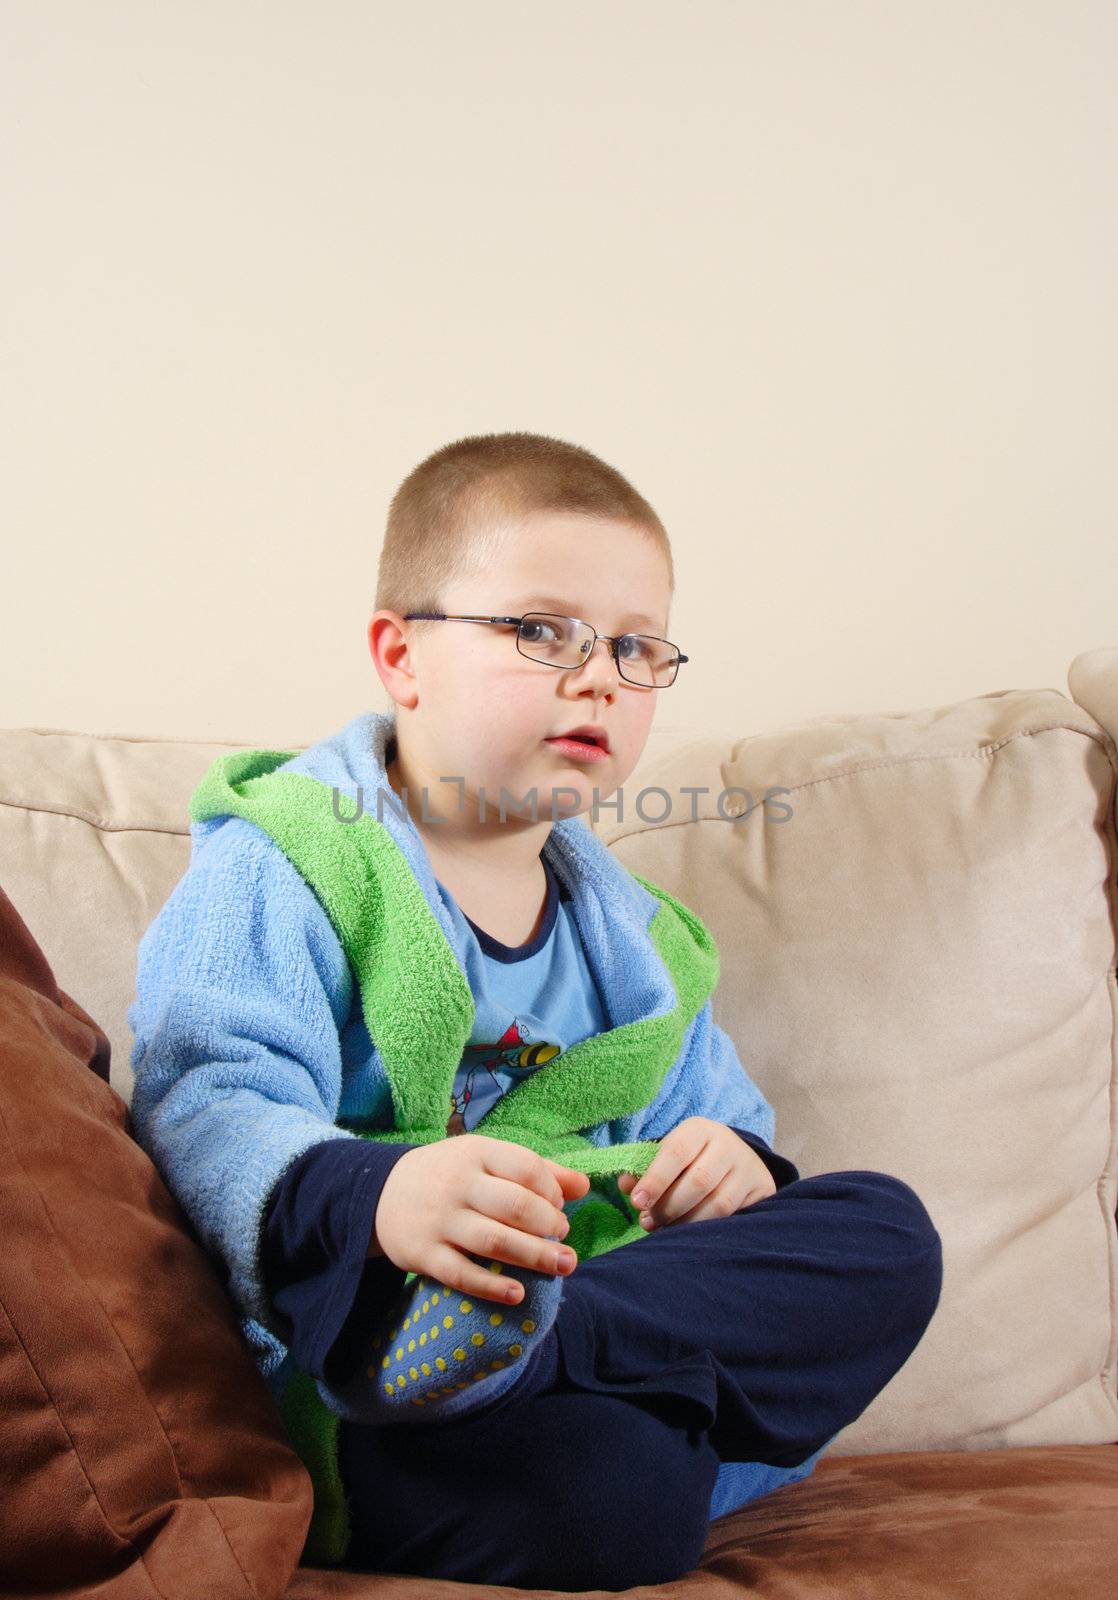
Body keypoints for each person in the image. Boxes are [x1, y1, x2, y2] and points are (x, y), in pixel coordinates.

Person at [128, 430, 943, 1591]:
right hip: (368, 1350)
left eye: (635, 646)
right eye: (541, 631)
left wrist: (731, 1165)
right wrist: (380, 1192)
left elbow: (716, 1126)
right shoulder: (293, 863)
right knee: (618, 1500)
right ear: (400, 656)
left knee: (887, 1232)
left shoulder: (640, 946)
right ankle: (507, 1368)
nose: (599, 674)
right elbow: (206, 1101)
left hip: (562, 1313)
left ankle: (557, 1351)